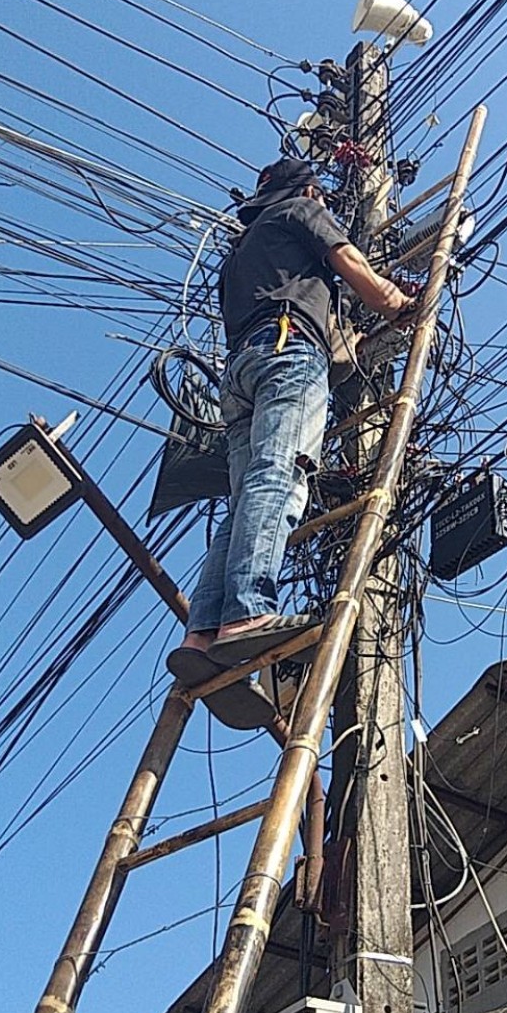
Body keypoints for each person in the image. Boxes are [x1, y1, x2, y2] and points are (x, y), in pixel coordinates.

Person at [167, 157, 414, 688]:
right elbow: (350, 261)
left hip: (239, 373)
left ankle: (201, 634)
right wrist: (394, 301)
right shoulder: (301, 210)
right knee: (280, 476)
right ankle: (248, 610)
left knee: (246, 497)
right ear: (308, 190)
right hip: (288, 353)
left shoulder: (240, 255)